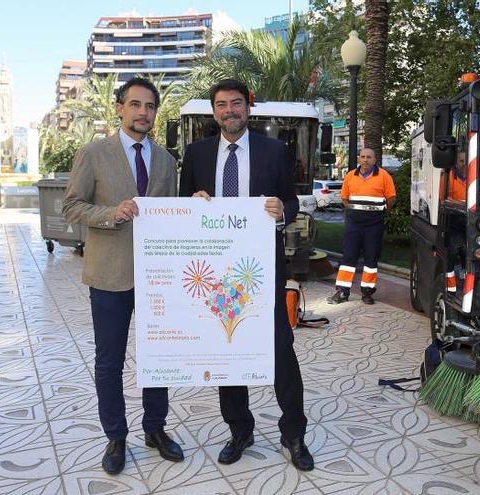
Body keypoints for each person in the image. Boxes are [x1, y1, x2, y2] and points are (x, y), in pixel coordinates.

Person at [179, 79, 314, 472]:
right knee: (228, 348)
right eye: (221, 105)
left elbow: (290, 200)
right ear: (214, 111)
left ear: (247, 108)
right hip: (218, 272)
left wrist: (281, 209)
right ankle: (240, 429)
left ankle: (294, 433)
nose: (229, 111)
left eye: (236, 103)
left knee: (280, 350)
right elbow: (184, 207)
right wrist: (192, 203)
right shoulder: (197, 153)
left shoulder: (274, 151)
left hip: (262, 269)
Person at [63, 76, 182, 475]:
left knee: (158, 358)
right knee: (109, 361)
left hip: (157, 278)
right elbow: (72, 207)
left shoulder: (166, 160)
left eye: (149, 106)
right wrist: (111, 213)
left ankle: (155, 429)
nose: (142, 112)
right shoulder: (94, 153)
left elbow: (172, 217)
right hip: (109, 276)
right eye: (135, 104)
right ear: (119, 108)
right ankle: (115, 436)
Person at [327, 148, 397, 305]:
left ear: (375, 159)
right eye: (363, 157)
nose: (365, 159)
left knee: (371, 259)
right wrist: (353, 211)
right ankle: (342, 292)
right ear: (359, 159)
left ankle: (367, 293)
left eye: (369, 157)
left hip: (374, 225)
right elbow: (345, 198)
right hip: (354, 224)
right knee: (348, 257)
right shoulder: (351, 176)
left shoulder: (384, 176)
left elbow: (391, 198)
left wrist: (381, 210)